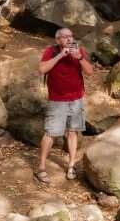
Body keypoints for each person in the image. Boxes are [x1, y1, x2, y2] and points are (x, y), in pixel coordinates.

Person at [35, 27, 94, 183]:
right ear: (58, 40)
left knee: (73, 131)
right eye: (65, 37)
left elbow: (90, 72)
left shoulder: (79, 50)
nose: (69, 39)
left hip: (76, 99)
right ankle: (41, 167)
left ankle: (71, 165)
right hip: (57, 100)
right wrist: (61, 56)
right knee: (51, 133)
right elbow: (41, 69)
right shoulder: (51, 51)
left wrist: (80, 58)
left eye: (71, 36)